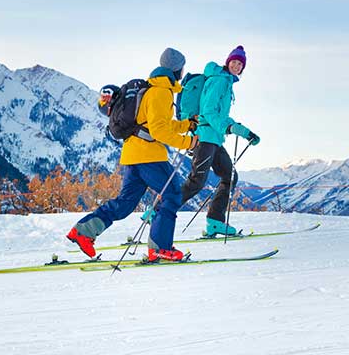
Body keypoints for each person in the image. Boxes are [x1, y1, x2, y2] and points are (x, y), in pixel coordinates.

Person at [66, 48, 198, 262]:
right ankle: (160, 248)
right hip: (149, 155)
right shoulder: (161, 91)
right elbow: (158, 130)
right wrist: (189, 141)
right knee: (173, 193)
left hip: (132, 155)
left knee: (125, 203)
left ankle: (83, 232)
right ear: (177, 69)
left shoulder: (151, 89)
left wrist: (187, 124)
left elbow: (159, 123)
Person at [180, 45, 260, 237]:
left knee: (229, 177)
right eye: (234, 62)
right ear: (227, 62)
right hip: (205, 138)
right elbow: (208, 112)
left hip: (214, 139)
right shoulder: (219, 80)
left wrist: (243, 130)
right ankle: (158, 211)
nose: (236, 66)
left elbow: (219, 115)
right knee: (196, 181)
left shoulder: (226, 82)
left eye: (240, 64)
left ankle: (215, 221)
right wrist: (229, 127)